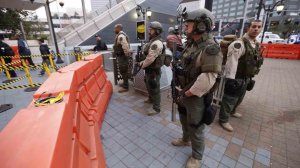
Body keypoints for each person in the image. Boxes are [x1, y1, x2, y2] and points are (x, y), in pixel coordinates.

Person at [171, 8, 222, 168]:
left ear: (201, 25)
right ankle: (185, 140)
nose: (185, 26)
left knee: (195, 126)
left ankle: (197, 156)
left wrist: (187, 93)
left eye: (189, 24)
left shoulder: (210, 48)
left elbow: (207, 79)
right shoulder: (191, 45)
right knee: (183, 118)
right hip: (184, 92)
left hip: (195, 95)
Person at [219, 20, 263, 132]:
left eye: (259, 27)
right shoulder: (239, 44)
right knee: (229, 99)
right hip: (236, 77)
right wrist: (231, 79)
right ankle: (223, 120)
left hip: (246, 77)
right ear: (248, 28)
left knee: (239, 98)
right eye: (254, 26)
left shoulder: (255, 44)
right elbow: (231, 63)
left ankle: (233, 112)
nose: (256, 29)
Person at [139, 21, 165, 116]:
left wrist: (142, 64)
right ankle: (150, 99)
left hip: (154, 70)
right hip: (149, 69)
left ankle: (156, 108)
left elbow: (150, 58)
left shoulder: (157, 43)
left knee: (155, 88)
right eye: (149, 29)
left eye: (151, 29)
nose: (149, 31)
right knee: (148, 84)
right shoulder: (152, 41)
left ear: (157, 31)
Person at [113, 24, 130, 93]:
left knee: (124, 71)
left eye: (115, 28)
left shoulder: (121, 36)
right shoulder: (120, 35)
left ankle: (125, 87)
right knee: (123, 71)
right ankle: (125, 83)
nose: (114, 30)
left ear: (118, 28)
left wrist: (125, 55)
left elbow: (125, 46)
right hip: (122, 56)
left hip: (123, 57)